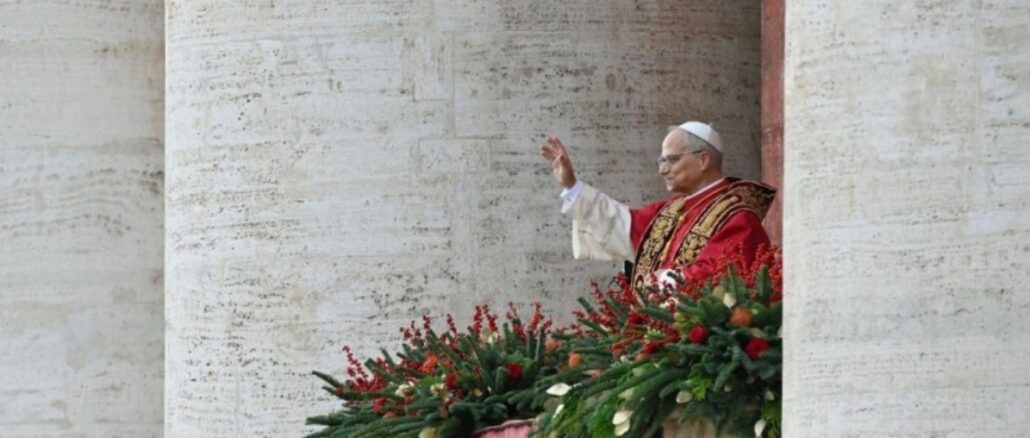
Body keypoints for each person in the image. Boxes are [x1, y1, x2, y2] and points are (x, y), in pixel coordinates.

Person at [538, 121, 776, 290]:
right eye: (661, 160)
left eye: (672, 159)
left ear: (703, 160)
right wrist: (572, 185)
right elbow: (619, 224)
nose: (663, 169)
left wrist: (662, 281)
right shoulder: (668, 212)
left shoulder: (738, 217)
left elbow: (724, 276)